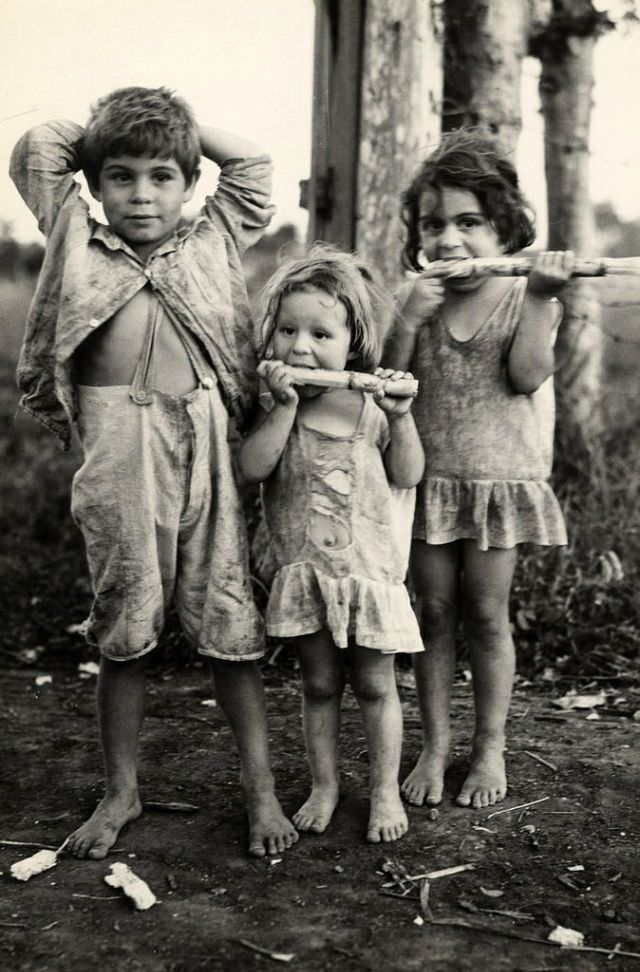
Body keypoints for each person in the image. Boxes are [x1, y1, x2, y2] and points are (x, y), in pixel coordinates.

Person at [9, 85, 298, 859]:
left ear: (189, 180)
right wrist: (114, 128)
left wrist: (180, 129)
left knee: (229, 620)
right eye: (122, 175)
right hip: (118, 449)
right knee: (125, 624)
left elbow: (254, 167)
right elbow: (37, 148)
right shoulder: (75, 234)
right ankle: (121, 791)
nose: (142, 194)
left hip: (205, 437)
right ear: (96, 185)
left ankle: (259, 788)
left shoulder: (214, 237)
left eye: (161, 175)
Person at [383, 129, 574, 810]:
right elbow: (390, 384)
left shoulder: (525, 296)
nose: (449, 240)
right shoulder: (420, 301)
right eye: (434, 224)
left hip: (499, 485)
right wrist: (405, 319)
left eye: (470, 223)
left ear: (505, 232)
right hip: (429, 482)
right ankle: (435, 744)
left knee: (487, 616)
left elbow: (525, 376)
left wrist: (547, 298)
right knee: (432, 615)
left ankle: (488, 745)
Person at [238, 247, 425, 843]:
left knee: (376, 686)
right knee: (318, 685)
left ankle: (385, 790)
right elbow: (254, 467)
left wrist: (403, 416)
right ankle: (325, 784)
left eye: (321, 333)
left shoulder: (371, 404)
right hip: (308, 575)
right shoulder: (276, 407)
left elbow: (409, 474)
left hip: (368, 578)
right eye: (288, 330)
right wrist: (284, 410)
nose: (301, 347)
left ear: (352, 343)